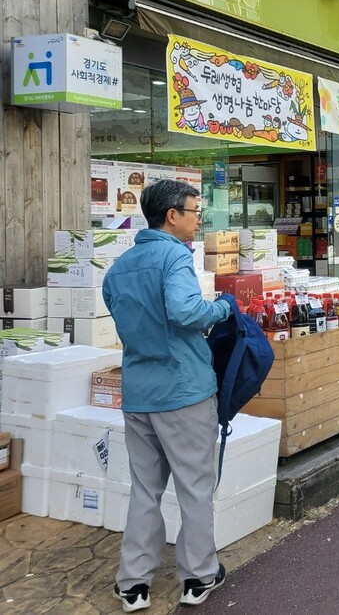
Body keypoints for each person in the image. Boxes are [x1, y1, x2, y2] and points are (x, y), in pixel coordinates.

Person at [103, 179, 232, 612]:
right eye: (196, 211)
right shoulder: (174, 256)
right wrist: (222, 307)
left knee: (144, 489)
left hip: (139, 393)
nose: (199, 219)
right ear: (172, 215)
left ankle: (133, 584)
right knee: (195, 487)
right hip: (183, 391)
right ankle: (198, 576)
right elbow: (183, 311)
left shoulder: (119, 267)